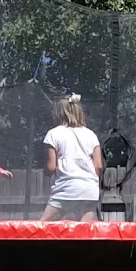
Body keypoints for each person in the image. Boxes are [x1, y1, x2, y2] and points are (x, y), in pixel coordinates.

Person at [40, 93, 103, 221]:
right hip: (88, 190)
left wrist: (46, 172)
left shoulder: (53, 134)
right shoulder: (91, 134)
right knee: (85, 231)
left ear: (58, 113)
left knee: (42, 226)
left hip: (65, 190)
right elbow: (99, 166)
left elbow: (51, 167)